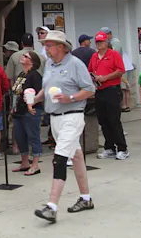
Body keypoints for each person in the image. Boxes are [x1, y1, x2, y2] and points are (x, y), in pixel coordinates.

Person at [33, 30, 96, 224]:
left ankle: (51, 207)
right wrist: (35, 98)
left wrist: (70, 97)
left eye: (49, 45)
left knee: (60, 158)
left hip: (72, 116)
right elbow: (47, 88)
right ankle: (85, 198)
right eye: (45, 45)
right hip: (55, 118)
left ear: (60, 47)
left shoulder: (75, 64)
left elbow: (90, 89)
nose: (46, 48)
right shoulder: (49, 64)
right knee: (76, 156)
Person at [89, 31, 128, 160]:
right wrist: (93, 78)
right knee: (103, 120)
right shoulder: (94, 56)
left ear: (107, 42)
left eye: (101, 41)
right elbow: (90, 70)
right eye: (97, 42)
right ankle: (109, 147)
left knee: (114, 120)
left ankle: (122, 148)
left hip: (112, 90)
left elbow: (121, 70)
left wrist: (106, 77)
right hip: (99, 90)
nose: (99, 44)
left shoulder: (114, 54)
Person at [10, 50, 43, 175]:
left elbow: (39, 93)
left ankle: (35, 164)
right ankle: (24, 162)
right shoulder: (21, 74)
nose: (22, 57)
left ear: (32, 61)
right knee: (20, 137)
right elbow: (16, 92)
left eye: (26, 56)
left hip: (31, 110)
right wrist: (13, 107)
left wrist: (31, 104)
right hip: (18, 109)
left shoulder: (35, 76)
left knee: (33, 136)